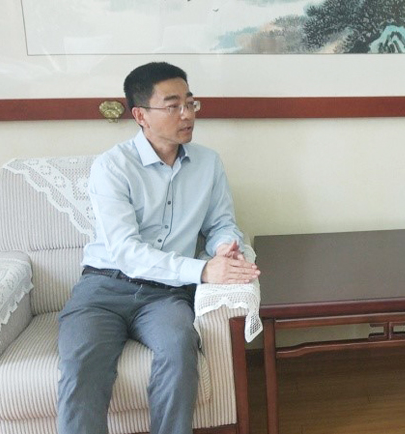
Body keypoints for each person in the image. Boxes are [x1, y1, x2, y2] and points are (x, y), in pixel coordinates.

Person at [57, 62, 261, 434]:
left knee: (180, 348)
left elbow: (220, 223)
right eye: (173, 106)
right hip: (104, 289)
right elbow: (126, 251)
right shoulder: (112, 167)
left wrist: (225, 248)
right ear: (141, 115)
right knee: (82, 363)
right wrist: (203, 270)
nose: (187, 115)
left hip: (166, 296)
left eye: (190, 103)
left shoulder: (208, 163)